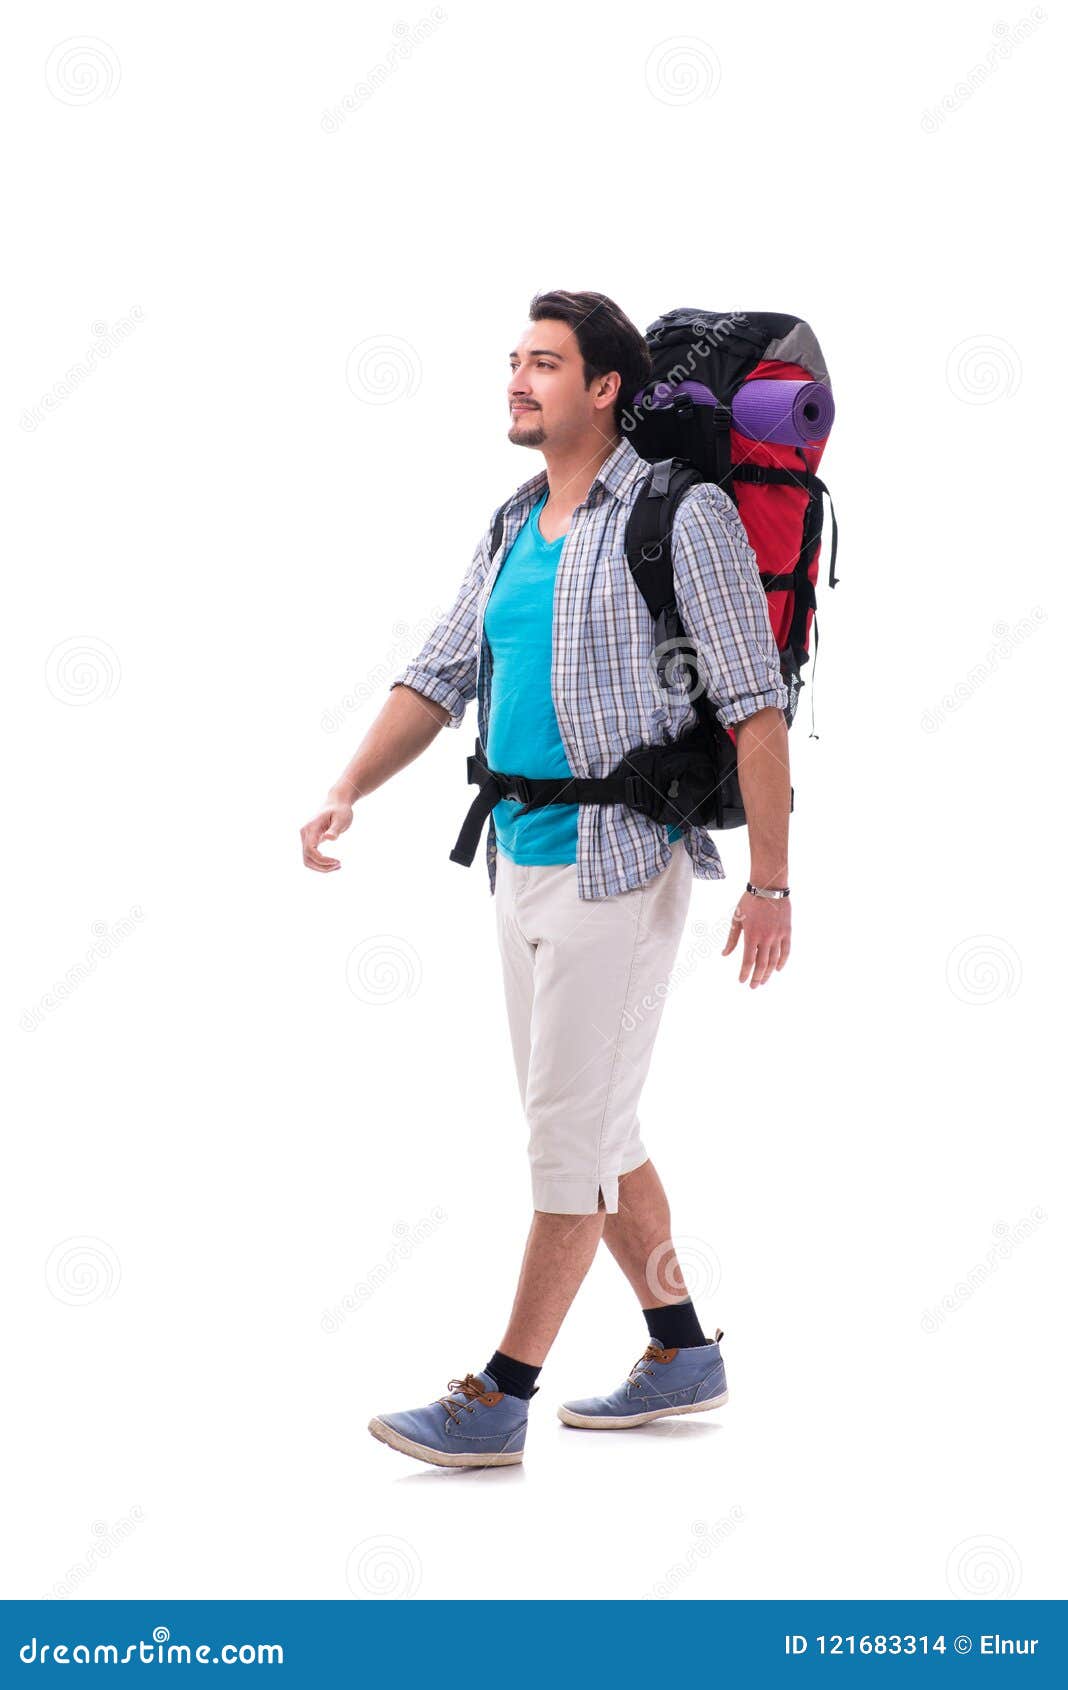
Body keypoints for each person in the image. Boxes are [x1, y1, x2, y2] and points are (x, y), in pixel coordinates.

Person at [301, 290, 792, 1469]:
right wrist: (347, 785)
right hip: (519, 861)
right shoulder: (516, 520)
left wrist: (771, 883)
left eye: (546, 364)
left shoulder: (688, 516)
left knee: (565, 1140)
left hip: (621, 866)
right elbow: (438, 670)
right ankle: (682, 1347)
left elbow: (753, 704)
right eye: (513, 362)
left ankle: (501, 1395)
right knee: (596, 1127)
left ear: (606, 387)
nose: (518, 381)